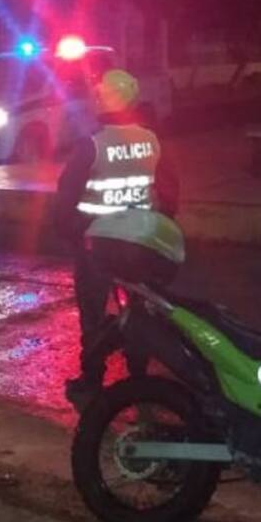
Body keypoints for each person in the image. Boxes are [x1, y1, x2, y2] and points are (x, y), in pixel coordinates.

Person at [53, 68, 179, 410]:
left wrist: (72, 233)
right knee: (138, 311)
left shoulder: (93, 144)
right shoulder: (150, 139)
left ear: (108, 100)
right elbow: (169, 193)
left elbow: (66, 196)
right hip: (138, 241)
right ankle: (139, 379)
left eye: (100, 95)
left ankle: (91, 382)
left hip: (98, 246)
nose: (95, 100)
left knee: (93, 316)